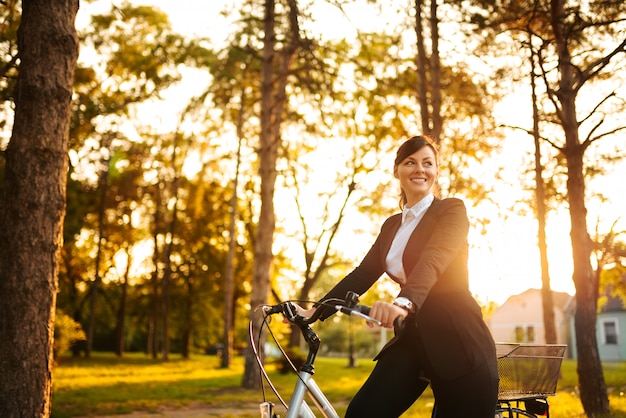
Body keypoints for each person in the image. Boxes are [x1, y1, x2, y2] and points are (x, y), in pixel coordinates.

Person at [295, 135, 499, 417]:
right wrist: (314, 311)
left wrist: (401, 304)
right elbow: (362, 274)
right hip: (413, 339)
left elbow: (433, 260)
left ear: (436, 171)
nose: (420, 169)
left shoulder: (451, 210)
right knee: (363, 413)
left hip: (459, 342)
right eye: (410, 162)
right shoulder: (392, 226)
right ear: (397, 170)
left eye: (428, 163)